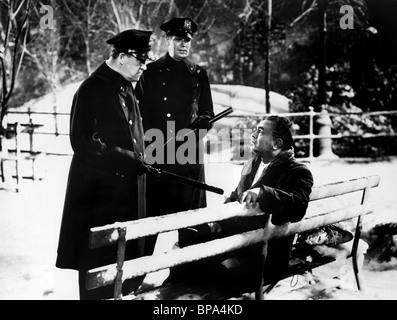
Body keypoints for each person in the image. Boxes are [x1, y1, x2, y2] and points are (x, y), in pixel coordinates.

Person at [55, 29, 156, 300]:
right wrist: (127, 159)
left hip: (125, 195)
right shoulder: (92, 88)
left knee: (123, 270)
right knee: (98, 271)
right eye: (140, 60)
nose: (144, 67)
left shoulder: (125, 86)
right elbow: (84, 141)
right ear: (122, 57)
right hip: (98, 200)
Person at [166, 115, 314, 292]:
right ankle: (170, 291)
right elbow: (237, 196)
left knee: (194, 266)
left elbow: (298, 205)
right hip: (237, 241)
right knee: (188, 239)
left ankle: (175, 292)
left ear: (276, 144)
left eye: (260, 131)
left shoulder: (297, 171)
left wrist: (263, 192)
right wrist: (219, 223)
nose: (253, 134)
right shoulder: (254, 163)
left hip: (263, 254)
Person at [135, 17, 214, 252]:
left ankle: (190, 275)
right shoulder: (150, 72)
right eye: (178, 39)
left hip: (188, 156)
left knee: (192, 223)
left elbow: (207, 111)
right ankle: (135, 275)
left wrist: (202, 124)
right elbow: (140, 114)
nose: (184, 44)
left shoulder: (198, 74)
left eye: (187, 40)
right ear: (167, 39)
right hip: (158, 154)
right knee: (150, 223)